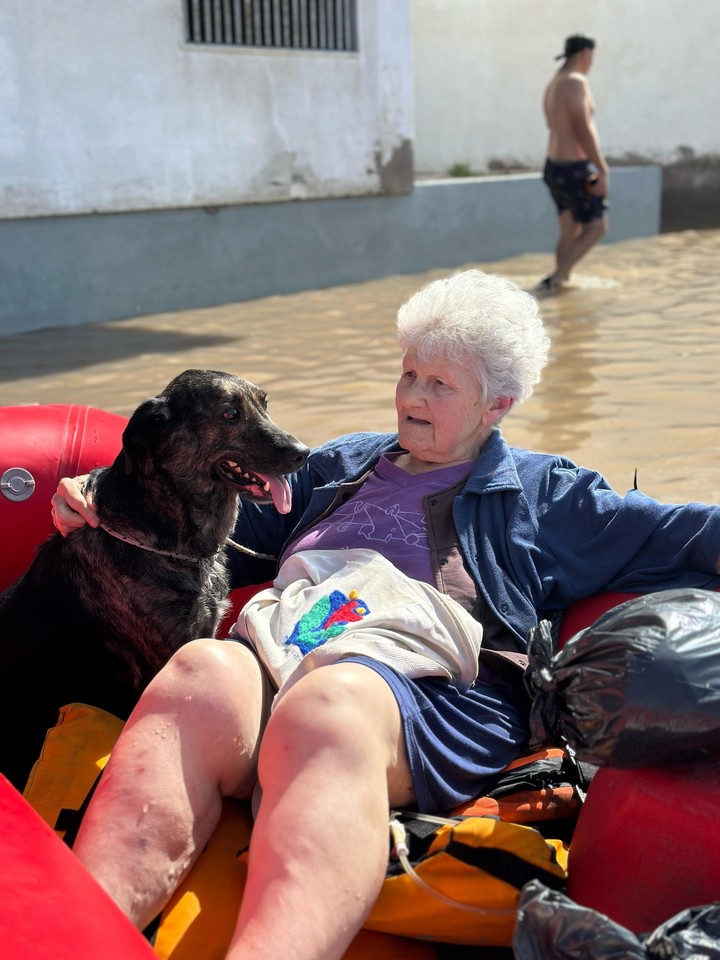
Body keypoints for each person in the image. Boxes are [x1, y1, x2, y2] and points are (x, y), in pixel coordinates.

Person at [51, 270, 720, 960]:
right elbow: (199, 519)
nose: (412, 396)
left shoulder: (553, 494)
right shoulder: (341, 463)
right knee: (200, 669)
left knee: (328, 703)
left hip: (426, 696)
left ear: (499, 404)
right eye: (409, 374)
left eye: (440, 385)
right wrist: (99, 494)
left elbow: (690, 533)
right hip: (285, 649)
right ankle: (71, 943)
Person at [537, 34, 609, 294]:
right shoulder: (576, 81)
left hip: (553, 166)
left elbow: (553, 125)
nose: (592, 64)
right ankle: (556, 279)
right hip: (573, 167)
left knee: (569, 231)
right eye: (592, 58)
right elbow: (583, 127)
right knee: (597, 228)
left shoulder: (553, 83)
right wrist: (601, 168)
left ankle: (558, 286)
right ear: (583, 55)